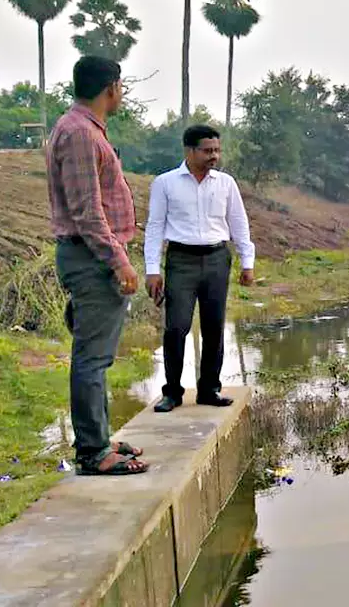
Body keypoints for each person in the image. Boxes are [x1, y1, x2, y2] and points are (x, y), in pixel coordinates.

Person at [48, 56, 147, 475]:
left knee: (97, 357)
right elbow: (88, 212)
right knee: (91, 358)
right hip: (91, 258)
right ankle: (92, 452)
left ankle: (99, 438)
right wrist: (119, 260)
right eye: (121, 87)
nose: (121, 94)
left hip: (90, 256)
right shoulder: (80, 134)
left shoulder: (83, 130)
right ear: (111, 88)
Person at [145, 125, 256, 412]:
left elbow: (239, 223)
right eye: (207, 151)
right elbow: (155, 227)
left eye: (217, 150)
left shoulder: (226, 184)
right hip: (181, 260)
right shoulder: (165, 183)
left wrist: (247, 263)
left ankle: (209, 389)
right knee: (176, 328)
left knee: (214, 328)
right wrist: (152, 269)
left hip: (217, 259)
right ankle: (172, 392)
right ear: (189, 151)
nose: (214, 156)